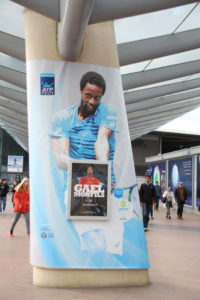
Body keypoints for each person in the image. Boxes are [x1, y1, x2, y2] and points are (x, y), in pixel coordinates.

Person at [49, 71, 117, 183]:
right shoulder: (63, 118)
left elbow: (102, 141)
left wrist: (103, 171)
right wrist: (90, 171)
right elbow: (61, 159)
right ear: (81, 91)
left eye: (97, 97)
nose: (92, 101)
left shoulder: (107, 111)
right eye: (88, 96)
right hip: (75, 187)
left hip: (104, 185)